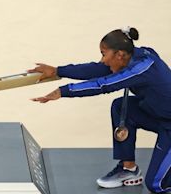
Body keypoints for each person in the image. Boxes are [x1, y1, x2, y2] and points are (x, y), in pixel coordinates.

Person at [30, 27, 171, 193]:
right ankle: (129, 170)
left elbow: (102, 84)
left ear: (119, 54)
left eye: (104, 54)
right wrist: (57, 71)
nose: (102, 60)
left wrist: (63, 91)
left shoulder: (142, 68)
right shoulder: (132, 56)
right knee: (121, 107)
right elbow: (98, 69)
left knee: (157, 185)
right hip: (160, 117)